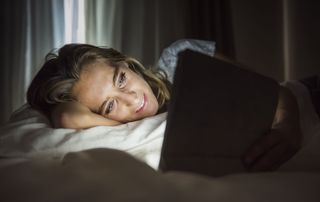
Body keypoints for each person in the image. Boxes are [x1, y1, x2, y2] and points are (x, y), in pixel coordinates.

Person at [27, 43, 302, 172]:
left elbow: (269, 89)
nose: (133, 100)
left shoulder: (179, 58)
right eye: (110, 105)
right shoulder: (131, 131)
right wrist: (64, 112)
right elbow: (67, 118)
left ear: (127, 64)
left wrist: (288, 124)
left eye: (121, 79)